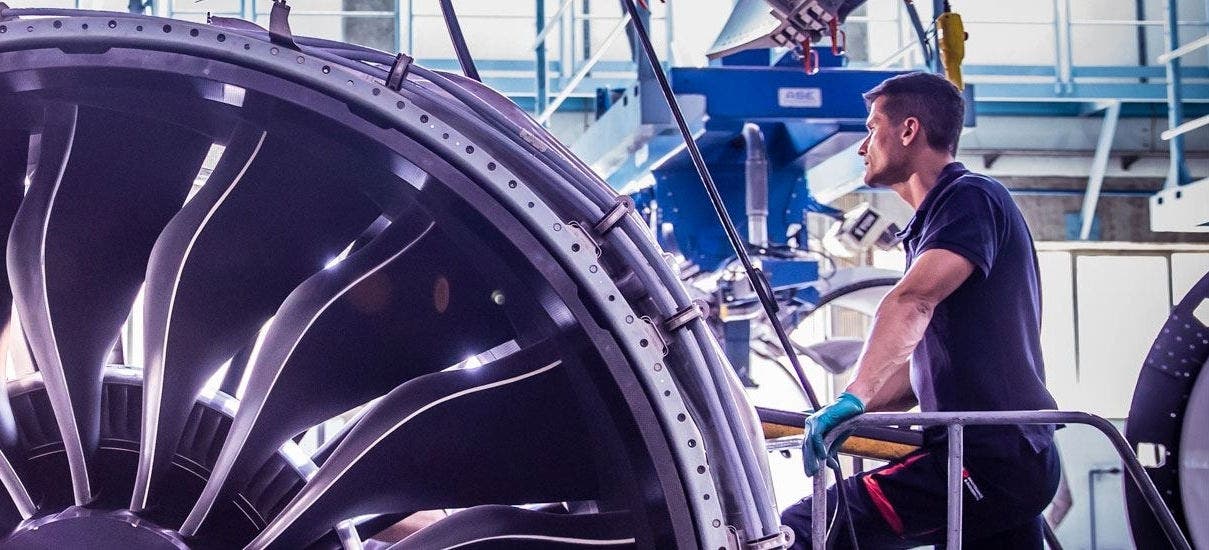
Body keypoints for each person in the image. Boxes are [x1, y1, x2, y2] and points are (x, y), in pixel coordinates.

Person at [780, 71, 1060, 549]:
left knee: (806, 527)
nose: (862, 146)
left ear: (909, 130)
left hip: (986, 457)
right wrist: (847, 412)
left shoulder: (969, 197)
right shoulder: (937, 223)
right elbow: (919, 373)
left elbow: (913, 301)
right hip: (1006, 459)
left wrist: (855, 393)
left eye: (872, 128)